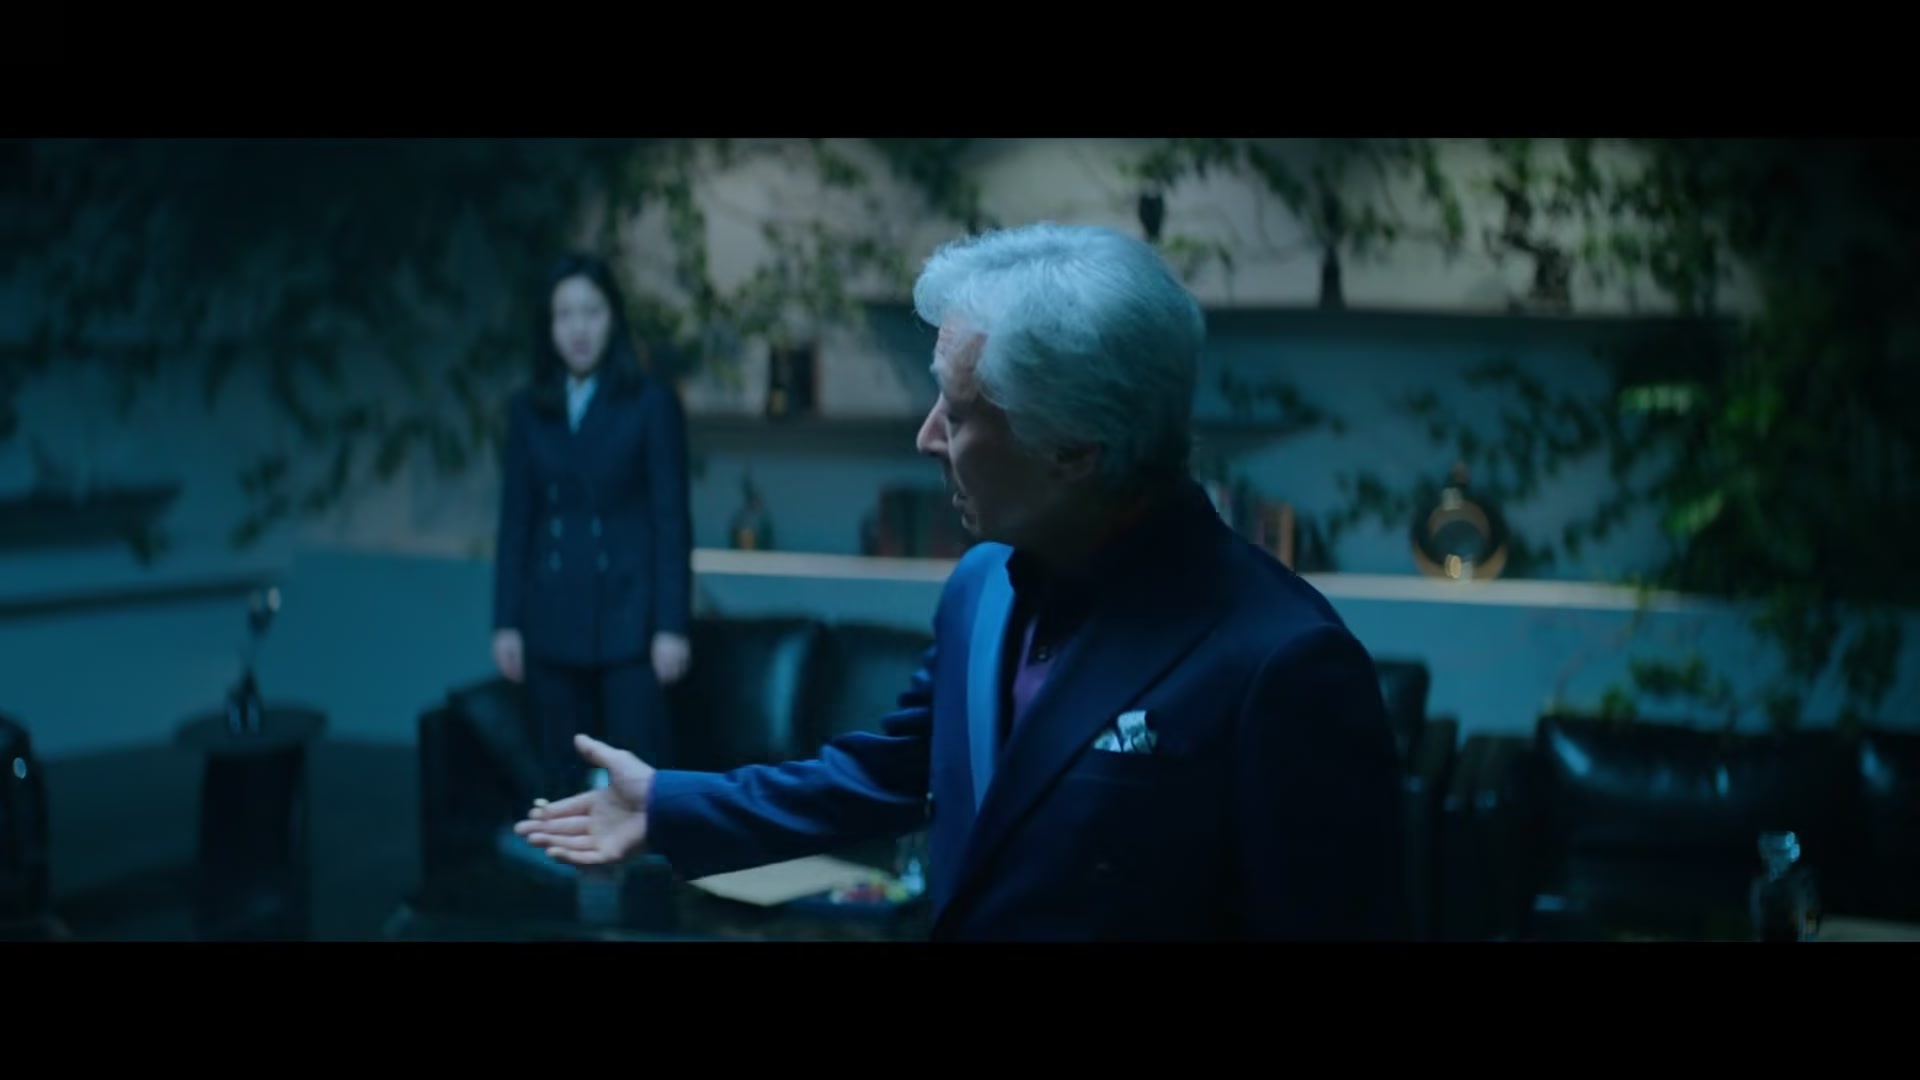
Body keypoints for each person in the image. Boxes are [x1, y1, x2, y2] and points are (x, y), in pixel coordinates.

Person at [516, 223, 1406, 940]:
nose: (927, 437)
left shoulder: (1284, 664)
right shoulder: (983, 587)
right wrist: (668, 806)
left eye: (960, 409)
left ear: (1075, 448)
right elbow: (885, 773)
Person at [492, 252, 693, 800]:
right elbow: (517, 521)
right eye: (564, 315)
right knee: (559, 783)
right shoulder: (529, 409)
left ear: (613, 319)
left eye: (591, 312)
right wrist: (506, 622)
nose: (578, 329)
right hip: (549, 617)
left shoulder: (650, 404)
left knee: (638, 784)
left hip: (630, 621)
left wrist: (671, 626)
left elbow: (671, 521)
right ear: (548, 326)